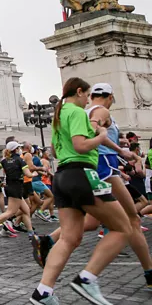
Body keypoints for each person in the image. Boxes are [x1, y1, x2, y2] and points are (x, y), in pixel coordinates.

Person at [29, 78, 134, 305]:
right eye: (87, 96)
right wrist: (101, 137)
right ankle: (87, 278)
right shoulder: (76, 112)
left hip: (63, 177)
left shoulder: (59, 117)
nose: (88, 101)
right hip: (82, 173)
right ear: (79, 92)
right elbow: (80, 146)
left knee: (69, 238)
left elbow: (57, 153)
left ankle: (43, 291)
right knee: (123, 226)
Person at [0, 141, 34, 241]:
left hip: (9, 187)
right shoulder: (20, 160)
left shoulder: (4, 160)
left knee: (26, 210)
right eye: (18, 148)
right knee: (10, 212)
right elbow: (28, 174)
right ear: (16, 149)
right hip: (17, 187)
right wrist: (36, 173)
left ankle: (31, 234)